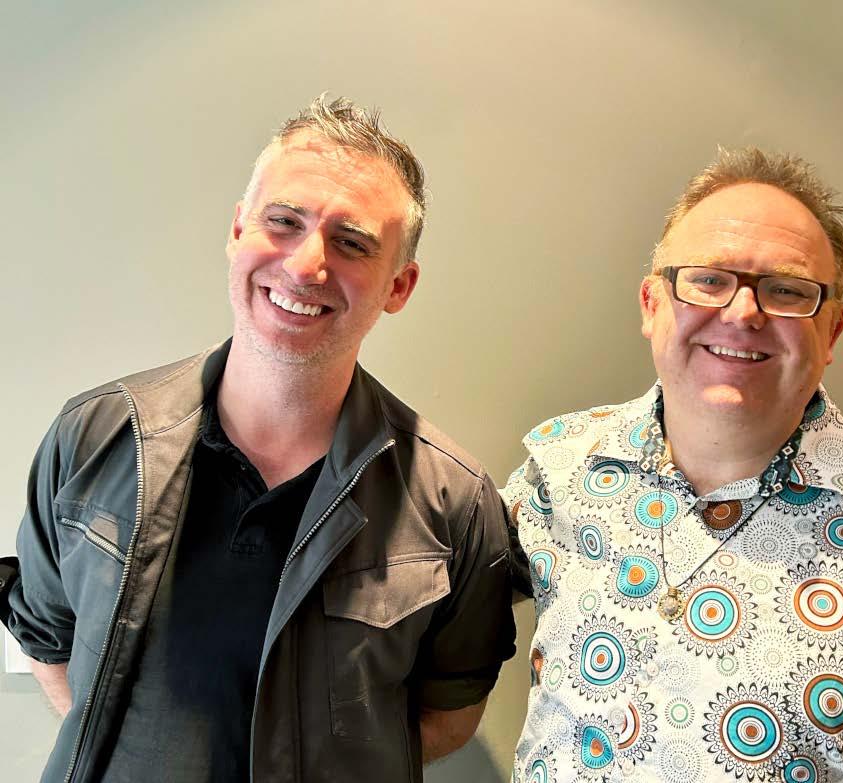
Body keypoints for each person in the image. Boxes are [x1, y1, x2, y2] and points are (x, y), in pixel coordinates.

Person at [0, 94, 515, 783]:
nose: (305, 266)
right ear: (239, 229)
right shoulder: (94, 436)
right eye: (284, 222)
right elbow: (48, 642)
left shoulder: (456, 503)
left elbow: (447, 714)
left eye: (352, 242)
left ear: (399, 286)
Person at [503, 147, 843, 783]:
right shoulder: (559, 468)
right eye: (709, 280)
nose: (742, 313)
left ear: (832, 332)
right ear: (652, 304)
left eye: (787, 291)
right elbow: (421, 637)